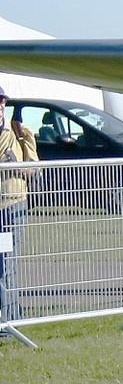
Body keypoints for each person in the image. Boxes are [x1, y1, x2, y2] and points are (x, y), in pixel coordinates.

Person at [0, 87, 40, 321]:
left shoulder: (19, 133)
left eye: (2, 103)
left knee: (8, 265)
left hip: (12, 206)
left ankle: (11, 320)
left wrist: (15, 161)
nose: (0, 107)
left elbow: (32, 169)